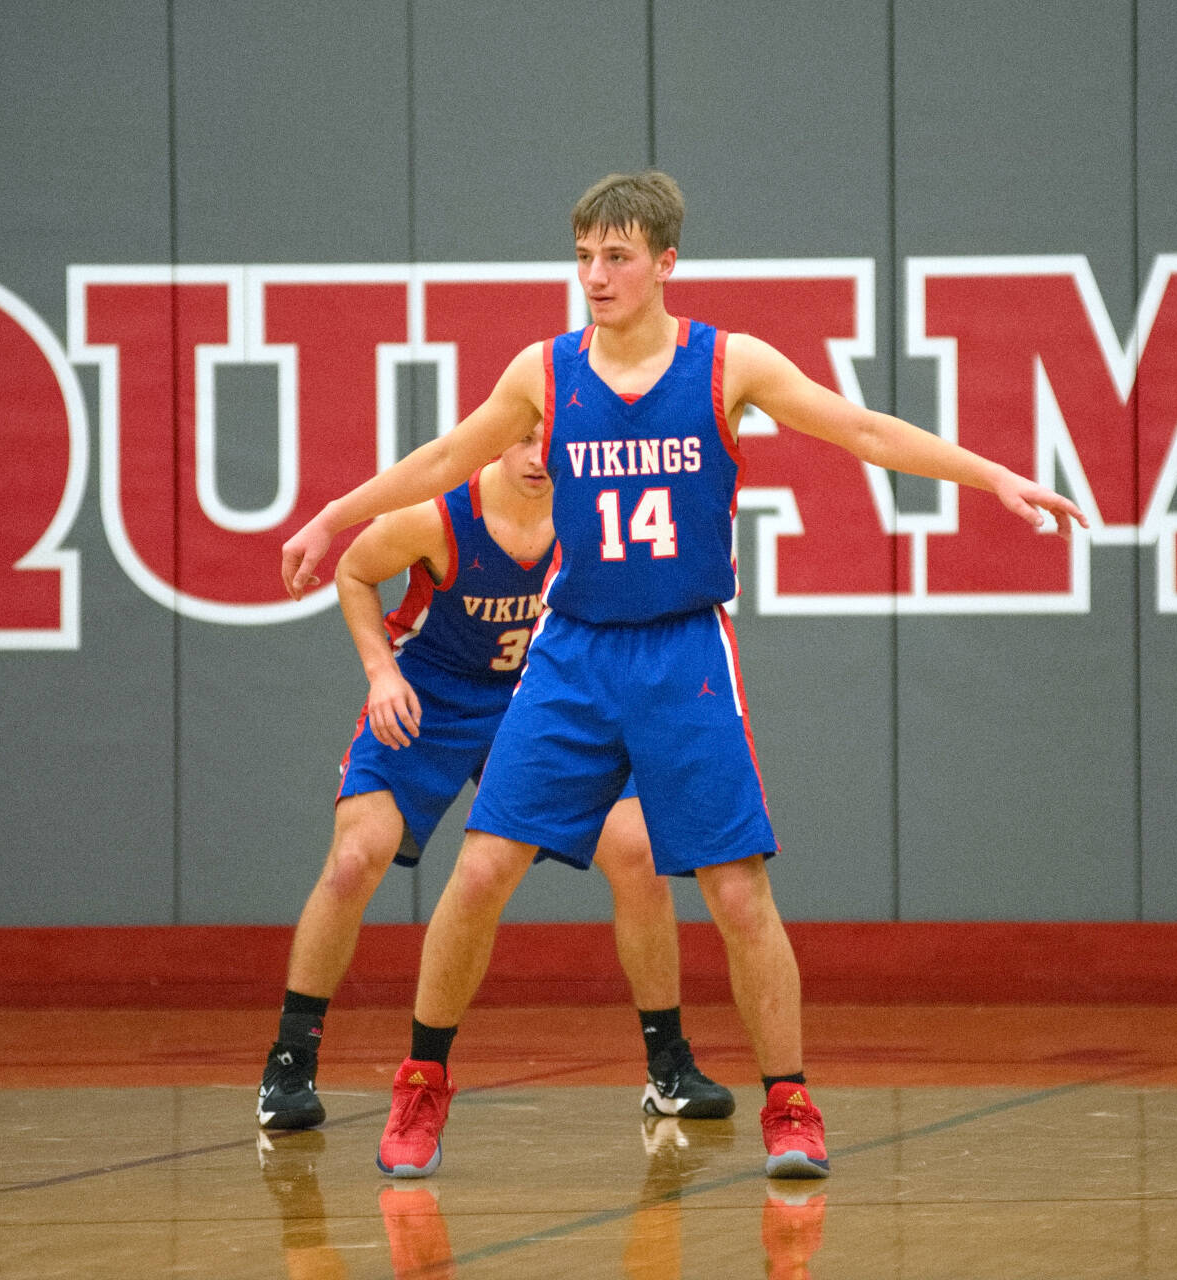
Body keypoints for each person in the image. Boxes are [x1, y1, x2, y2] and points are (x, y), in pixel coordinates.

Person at [280, 170, 1088, 1181]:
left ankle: (789, 1100)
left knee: (736, 888)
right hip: (572, 652)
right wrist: (332, 517)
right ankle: (421, 1082)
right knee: (481, 868)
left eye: (615, 255)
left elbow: (865, 431)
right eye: (581, 255)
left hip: (680, 649)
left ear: (666, 262)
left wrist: (993, 476)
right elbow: (444, 455)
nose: (594, 275)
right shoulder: (544, 372)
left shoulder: (725, 364)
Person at [258, 424, 732, 1134]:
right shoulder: (438, 516)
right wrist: (382, 670)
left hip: (542, 696)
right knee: (358, 856)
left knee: (639, 855)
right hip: (434, 693)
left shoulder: (596, 516)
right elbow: (355, 571)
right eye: (525, 440)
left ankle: (667, 1064)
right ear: (496, 444)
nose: (540, 457)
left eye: (554, 442)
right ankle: (290, 1060)